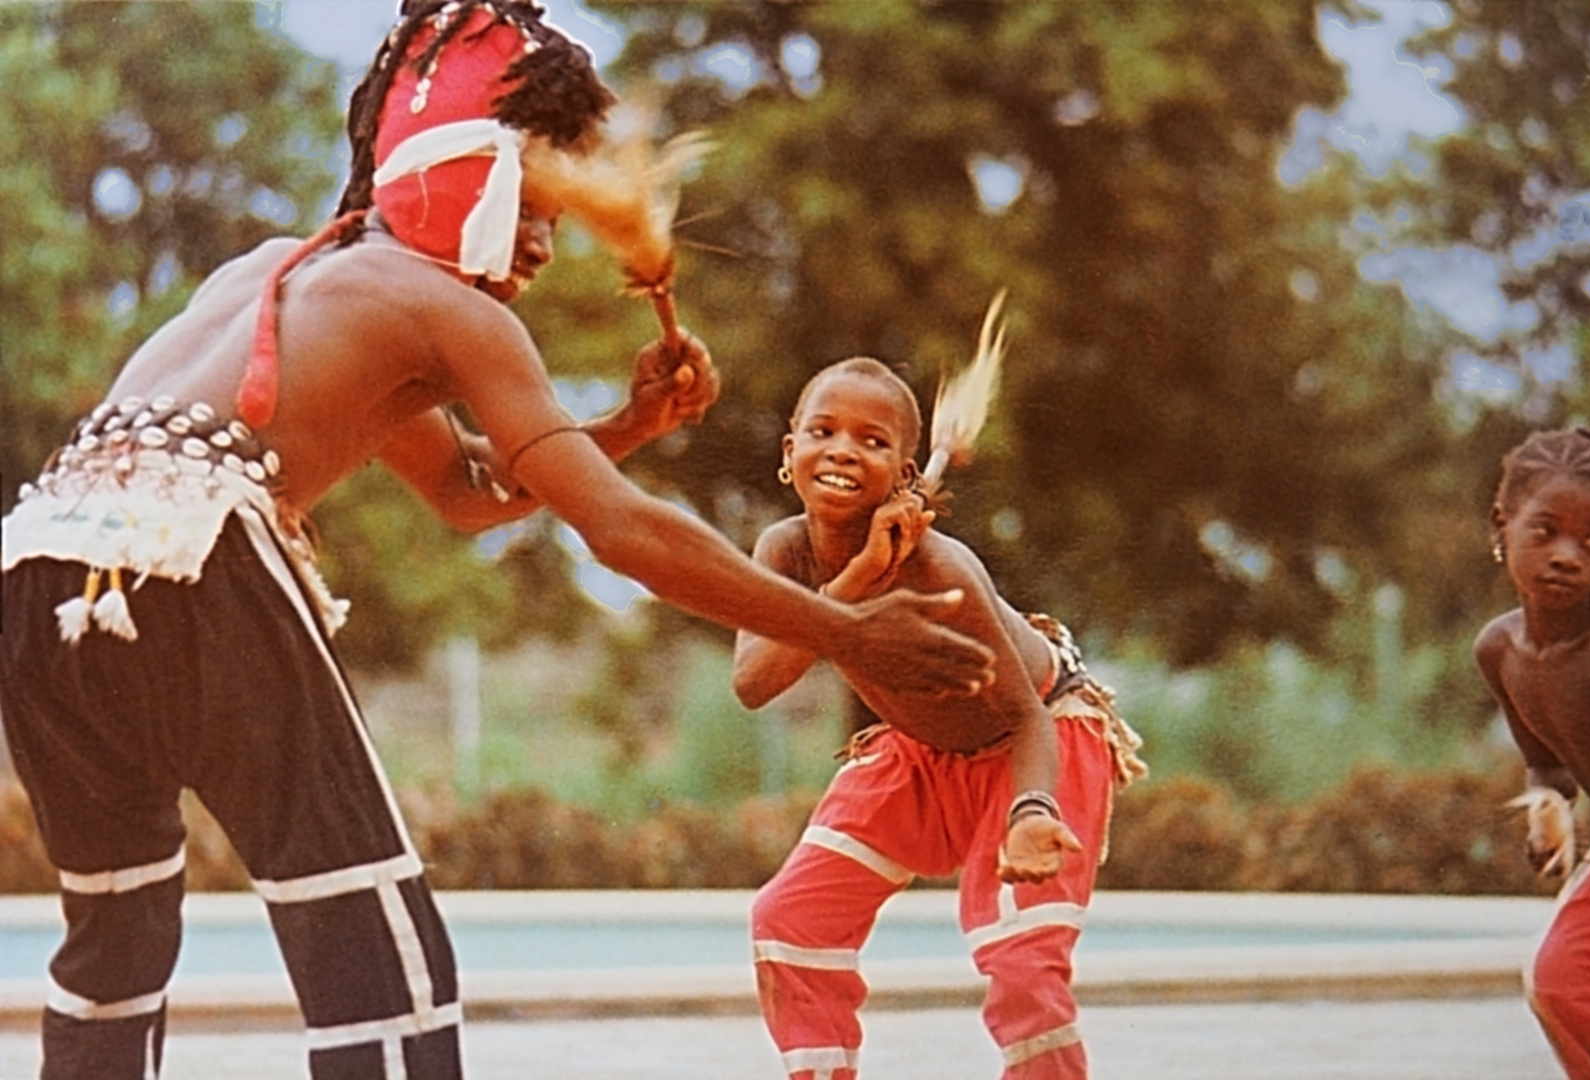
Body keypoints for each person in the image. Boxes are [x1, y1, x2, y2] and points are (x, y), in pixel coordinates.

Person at [0, 5, 995, 1078]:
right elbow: (619, 530)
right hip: (198, 555)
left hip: (39, 571)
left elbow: (468, 489)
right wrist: (848, 629)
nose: (542, 248)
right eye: (534, 208)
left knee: (116, 938)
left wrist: (623, 425)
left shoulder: (282, 270)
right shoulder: (441, 305)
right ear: (477, 179)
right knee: (377, 951)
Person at [734, 357, 1147, 1080]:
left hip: (1035, 745)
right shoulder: (784, 551)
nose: (841, 450)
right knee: (787, 920)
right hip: (917, 753)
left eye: (872, 441)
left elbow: (1026, 715)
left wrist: (1031, 810)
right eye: (823, 431)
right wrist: (857, 576)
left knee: (1021, 964)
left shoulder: (941, 567)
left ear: (901, 472)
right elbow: (754, 682)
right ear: (788, 452)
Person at [1473, 427, 1590, 1080]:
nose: (1568, 555)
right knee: (1558, 980)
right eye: (1546, 531)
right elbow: (1548, 763)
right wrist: (1550, 811)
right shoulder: (1500, 652)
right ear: (1503, 524)